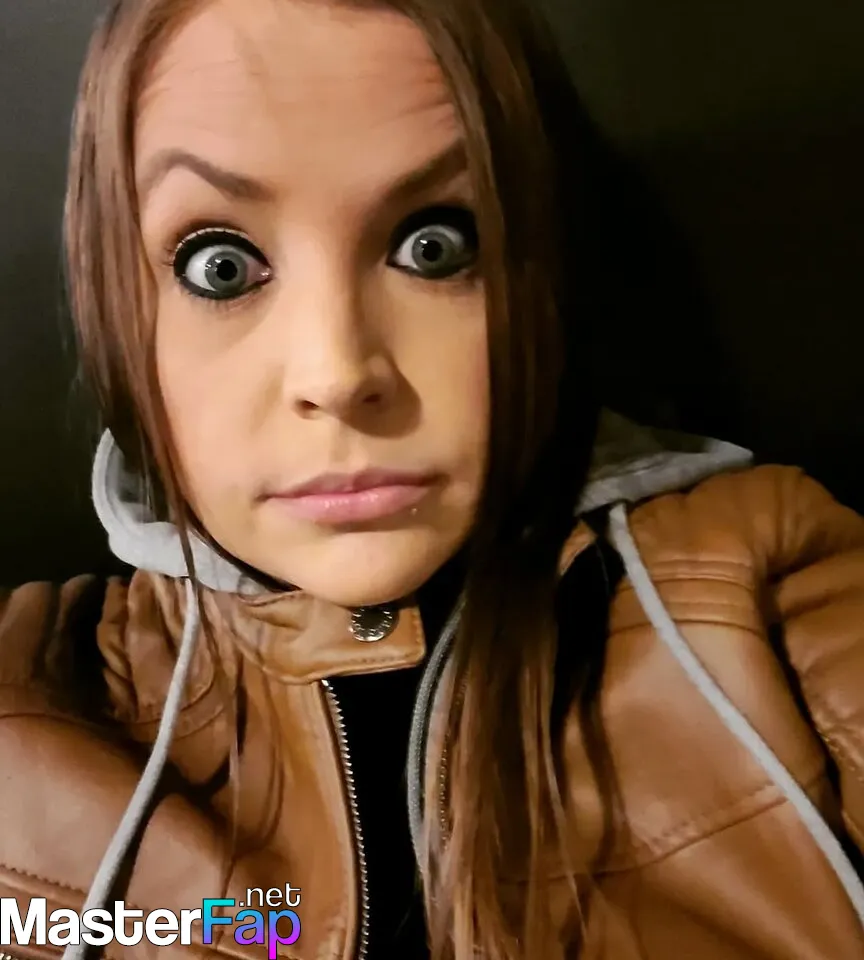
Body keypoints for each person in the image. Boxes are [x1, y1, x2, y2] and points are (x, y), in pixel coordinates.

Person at [2, 0, 864, 958]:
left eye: (434, 245)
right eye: (221, 267)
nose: (338, 374)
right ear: (117, 306)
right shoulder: (25, 699)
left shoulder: (772, 589)